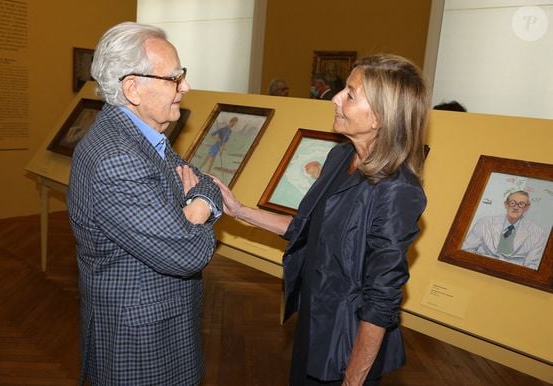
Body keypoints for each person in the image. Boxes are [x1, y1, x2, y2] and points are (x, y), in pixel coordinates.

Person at [213, 54, 429, 385]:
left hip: (348, 339)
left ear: (379, 118)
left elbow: (381, 300)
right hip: (315, 320)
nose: (336, 99)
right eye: (343, 89)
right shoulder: (340, 155)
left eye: (351, 95)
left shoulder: (397, 190)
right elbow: (303, 229)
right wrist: (239, 210)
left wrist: (354, 378)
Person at [66, 22, 222, 385]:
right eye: (175, 77)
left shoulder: (142, 135)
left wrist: (194, 203)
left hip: (161, 324)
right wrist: (199, 209)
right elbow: (188, 254)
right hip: (139, 340)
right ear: (133, 88)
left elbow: (206, 182)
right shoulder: (117, 158)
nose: (186, 87)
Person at [462, 190, 548, 270]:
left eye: (521, 204)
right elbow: (466, 250)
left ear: (526, 207)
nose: (516, 207)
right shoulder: (485, 223)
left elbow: (532, 266)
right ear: (506, 204)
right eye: (512, 203)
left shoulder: (538, 233)